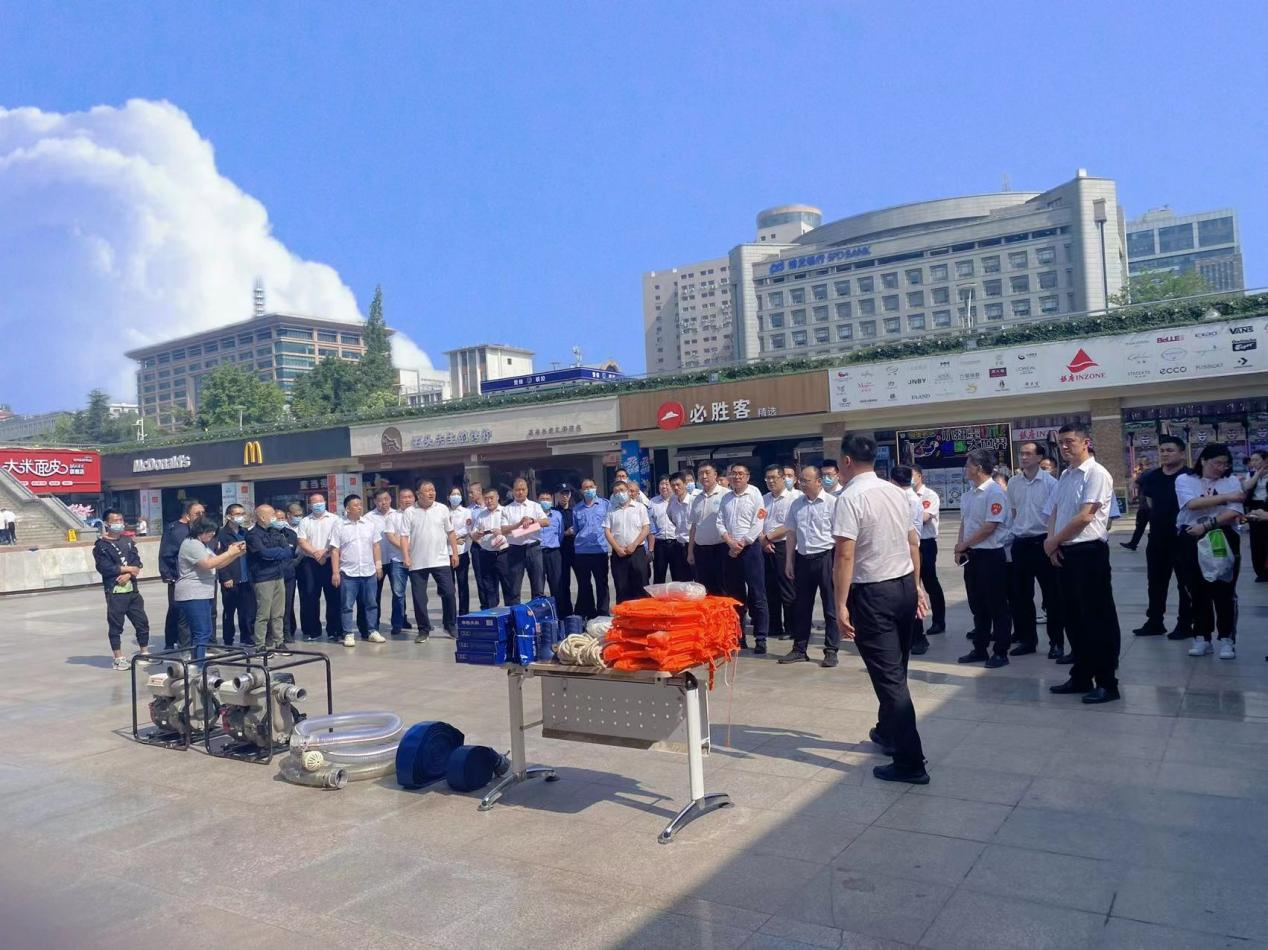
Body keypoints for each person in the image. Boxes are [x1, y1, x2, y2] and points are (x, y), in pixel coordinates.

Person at [832, 434, 929, 784]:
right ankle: (888, 732)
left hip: (874, 594)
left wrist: (840, 604)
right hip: (902, 586)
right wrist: (916, 585)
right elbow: (912, 541)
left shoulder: (849, 498)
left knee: (890, 680)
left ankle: (910, 762)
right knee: (896, 669)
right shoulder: (895, 491)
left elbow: (845, 555)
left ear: (846, 461)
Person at [1045, 423, 1121, 704]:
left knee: (1097, 619)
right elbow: (1054, 510)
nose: (1064, 447)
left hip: (1089, 553)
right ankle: (1081, 676)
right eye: (1061, 443)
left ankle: (1107, 682)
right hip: (1065, 552)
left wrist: (1054, 541)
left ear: (1086, 442)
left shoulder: (1097, 473)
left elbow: (1086, 516)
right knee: (1073, 618)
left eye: (1070, 441)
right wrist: (1052, 542)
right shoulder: (1065, 475)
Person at [1175, 443, 1245, 659]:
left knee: (1223, 588)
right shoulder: (1185, 479)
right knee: (1196, 588)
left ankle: (1226, 639)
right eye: (1217, 463)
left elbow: (1234, 511)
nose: (1221, 468)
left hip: (1222, 536)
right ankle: (1201, 636)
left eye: (1225, 464)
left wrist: (1206, 525)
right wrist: (1226, 497)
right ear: (1203, 460)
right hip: (1191, 536)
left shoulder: (1231, 480)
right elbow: (1192, 504)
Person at [1131, 435, 1194, 639]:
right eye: (1162, 451)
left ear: (1182, 453)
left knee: (1185, 582)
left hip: (1183, 537)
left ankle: (1185, 624)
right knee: (1156, 581)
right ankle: (1155, 621)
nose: (1165, 454)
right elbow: (1150, 503)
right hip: (1158, 537)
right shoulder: (1152, 476)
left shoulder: (1190, 477)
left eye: (1170, 450)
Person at [955, 449, 1013, 668]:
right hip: (972, 555)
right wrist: (960, 547)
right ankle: (980, 648)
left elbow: (990, 526)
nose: (965, 469)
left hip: (991, 556)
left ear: (979, 468)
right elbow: (965, 522)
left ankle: (1001, 651)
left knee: (997, 605)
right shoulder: (969, 494)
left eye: (968, 465)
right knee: (977, 605)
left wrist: (964, 544)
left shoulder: (994, 493)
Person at [1007, 443, 1064, 659]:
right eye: (1021, 454)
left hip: (1043, 542)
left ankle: (1056, 642)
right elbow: (1013, 511)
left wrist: (1053, 543)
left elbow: (1055, 515)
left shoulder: (1051, 483)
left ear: (1040, 457)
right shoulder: (1013, 483)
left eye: (1028, 454)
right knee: (1021, 596)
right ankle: (1027, 640)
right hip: (1020, 542)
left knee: (1052, 595)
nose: (1023, 457)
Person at [779, 465, 840, 667]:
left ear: (819, 481)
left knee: (830, 607)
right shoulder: (796, 504)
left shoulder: (832, 503)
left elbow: (840, 535)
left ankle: (831, 650)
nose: (802, 484)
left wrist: (838, 564)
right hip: (803, 559)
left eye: (806, 480)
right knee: (802, 606)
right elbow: (791, 533)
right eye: (801, 480)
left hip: (826, 557)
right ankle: (799, 648)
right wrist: (789, 561)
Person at [175, 516, 246, 661]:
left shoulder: (202, 545)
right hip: (193, 593)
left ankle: (196, 661)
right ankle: (198, 664)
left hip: (203, 593)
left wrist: (235, 554)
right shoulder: (192, 544)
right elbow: (208, 564)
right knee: (201, 632)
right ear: (200, 530)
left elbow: (218, 564)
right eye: (209, 531)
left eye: (214, 531)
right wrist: (229, 552)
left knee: (204, 631)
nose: (212, 534)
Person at [397, 481, 458, 642]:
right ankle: (423, 629)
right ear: (418, 494)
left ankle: (450, 625)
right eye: (427, 490)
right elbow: (404, 536)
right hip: (418, 561)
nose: (432, 493)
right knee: (419, 598)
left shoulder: (442, 509)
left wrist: (455, 553)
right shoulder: (409, 512)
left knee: (449, 592)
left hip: (441, 559)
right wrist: (406, 556)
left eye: (433, 490)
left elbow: (451, 532)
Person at [719, 463, 770, 654]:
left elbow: (760, 520)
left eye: (741, 474)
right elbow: (720, 522)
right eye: (733, 474)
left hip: (750, 549)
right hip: (731, 550)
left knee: (757, 594)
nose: (737, 477)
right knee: (735, 596)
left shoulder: (755, 494)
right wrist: (730, 542)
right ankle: (739, 637)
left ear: (748, 476)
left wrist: (743, 542)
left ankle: (761, 638)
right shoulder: (726, 498)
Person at [93, 509, 150, 670]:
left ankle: (144, 652)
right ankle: (118, 657)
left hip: (132, 590)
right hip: (115, 591)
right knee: (116, 625)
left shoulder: (128, 541)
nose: (119, 523)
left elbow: (136, 561)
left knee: (142, 622)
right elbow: (105, 568)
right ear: (107, 524)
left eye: (121, 520)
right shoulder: (101, 546)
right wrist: (128, 570)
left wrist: (129, 574)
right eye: (115, 521)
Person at [329, 493, 384, 647]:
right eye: (355, 505)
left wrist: (378, 566)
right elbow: (334, 550)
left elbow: (376, 546)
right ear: (347, 509)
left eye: (360, 505)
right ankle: (348, 633)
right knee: (347, 605)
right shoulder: (339, 525)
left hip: (369, 571)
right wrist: (335, 572)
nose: (359, 507)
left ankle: (372, 631)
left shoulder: (369, 524)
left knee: (371, 603)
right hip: (348, 573)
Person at [890, 466, 930, 656]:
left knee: (912, 593)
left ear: (893, 481)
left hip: (908, 551)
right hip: (907, 551)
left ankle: (918, 637)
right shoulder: (910, 497)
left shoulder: (906, 499)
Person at [246, 503, 293, 652]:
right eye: (271, 515)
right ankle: (260, 644)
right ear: (261, 517)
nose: (274, 518)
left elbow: (288, 551)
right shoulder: (253, 535)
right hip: (263, 578)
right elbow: (263, 554)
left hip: (278, 575)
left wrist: (276, 552)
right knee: (263, 614)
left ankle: (279, 641)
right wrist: (278, 551)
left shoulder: (275, 532)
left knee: (278, 613)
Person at [761, 464, 800, 642]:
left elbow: (789, 525)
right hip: (765, 546)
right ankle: (774, 625)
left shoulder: (793, 499)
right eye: (767, 478)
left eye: (774, 478)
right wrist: (763, 540)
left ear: (783, 478)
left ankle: (792, 627)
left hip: (784, 546)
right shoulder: (764, 499)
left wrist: (768, 537)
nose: (770, 481)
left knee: (787, 588)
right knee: (770, 588)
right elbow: (758, 521)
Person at [296, 492, 341, 642]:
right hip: (310, 562)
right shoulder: (305, 521)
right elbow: (302, 541)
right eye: (314, 503)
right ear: (310, 505)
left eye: (320, 502)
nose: (317, 505)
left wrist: (325, 552)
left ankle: (333, 630)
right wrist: (316, 553)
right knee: (311, 596)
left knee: (333, 596)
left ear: (325, 502)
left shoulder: (335, 519)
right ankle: (314, 631)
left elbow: (337, 540)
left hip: (330, 561)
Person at [367, 488, 413, 635]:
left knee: (398, 592)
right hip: (378, 561)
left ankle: (401, 619)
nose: (384, 503)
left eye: (386, 499)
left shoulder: (398, 514)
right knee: (375, 594)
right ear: (375, 502)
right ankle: (374, 622)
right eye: (380, 500)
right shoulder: (368, 518)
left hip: (395, 559)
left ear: (391, 499)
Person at [159, 499, 203, 649]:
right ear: (187, 514)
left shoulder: (198, 528)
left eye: (203, 513)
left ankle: (195, 641)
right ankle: (171, 642)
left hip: (196, 577)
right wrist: (168, 574)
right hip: (177, 576)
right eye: (198, 513)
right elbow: (166, 553)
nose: (201, 516)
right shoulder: (175, 530)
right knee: (176, 610)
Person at [910, 466, 945, 637]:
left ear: (920, 476)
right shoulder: (904, 495)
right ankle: (915, 625)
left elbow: (924, 517)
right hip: (911, 543)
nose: (910, 478)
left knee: (930, 581)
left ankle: (939, 621)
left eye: (912, 475)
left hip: (926, 543)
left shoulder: (929, 495)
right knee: (912, 584)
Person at [501, 478, 547, 604]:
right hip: (515, 549)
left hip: (533, 548)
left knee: (538, 585)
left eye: (523, 489)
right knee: (514, 588)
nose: (520, 492)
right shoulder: (507, 509)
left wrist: (533, 520)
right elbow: (504, 530)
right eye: (517, 490)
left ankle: (537, 612)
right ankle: (516, 613)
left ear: (527, 490)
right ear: (513, 491)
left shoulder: (535, 506)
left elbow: (546, 521)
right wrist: (519, 524)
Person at [216, 504, 256, 648]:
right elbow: (219, 557)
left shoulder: (245, 532)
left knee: (247, 610)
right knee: (229, 611)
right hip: (230, 579)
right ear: (229, 516)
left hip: (246, 578)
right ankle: (228, 639)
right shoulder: (222, 534)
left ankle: (247, 637)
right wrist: (225, 576)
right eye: (237, 514)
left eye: (242, 513)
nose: (241, 517)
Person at [571, 478, 611, 619]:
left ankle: (603, 612)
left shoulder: (605, 505)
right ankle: (589, 612)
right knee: (584, 584)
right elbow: (576, 529)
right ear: (581, 491)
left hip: (600, 550)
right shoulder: (577, 509)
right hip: (582, 552)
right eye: (585, 488)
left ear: (596, 487)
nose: (588, 490)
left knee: (602, 583)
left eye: (590, 487)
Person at [605, 480, 651, 602]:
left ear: (628, 491)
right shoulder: (611, 510)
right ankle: (624, 614)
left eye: (622, 490)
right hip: (619, 553)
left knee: (641, 587)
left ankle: (642, 613)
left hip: (637, 552)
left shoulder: (640, 507)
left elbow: (646, 528)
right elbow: (607, 531)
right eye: (616, 492)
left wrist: (634, 544)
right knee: (622, 588)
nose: (619, 493)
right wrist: (617, 548)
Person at [688, 463, 728, 596]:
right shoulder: (697, 499)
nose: (704, 476)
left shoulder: (726, 495)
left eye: (707, 472)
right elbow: (694, 526)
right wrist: (690, 552)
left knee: (723, 587)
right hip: (701, 550)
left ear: (715, 475)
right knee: (704, 588)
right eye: (700, 473)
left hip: (721, 549)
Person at [472, 487, 513, 608]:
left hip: (504, 553)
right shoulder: (481, 515)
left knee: (508, 585)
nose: (489, 501)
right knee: (489, 587)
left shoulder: (506, 511)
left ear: (497, 497)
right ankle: (493, 613)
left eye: (491, 498)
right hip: (486, 554)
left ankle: (511, 612)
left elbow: (514, 531)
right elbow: (473, 533)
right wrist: (476, 534)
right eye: (486, 499)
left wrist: (502, 532)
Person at [538, 488, 568, 611]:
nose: (545, 501)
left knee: (557, 585)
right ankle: (539, 613)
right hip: (538, 553)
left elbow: (560, 534)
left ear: (551, 501)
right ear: (538, 500)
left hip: (554, 553)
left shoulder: (557, 515)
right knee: (538, 585)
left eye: (547, 499)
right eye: (542, 499)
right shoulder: (533, 515)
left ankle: (559, 613)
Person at [448, 486, 475, 615]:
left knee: (463, 583)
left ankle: (464, 612)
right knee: (448, 586)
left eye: (458, 494)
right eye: (453, 494)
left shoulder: (466, 512)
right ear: (448, 497)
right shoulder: (444, 512)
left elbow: (467, 528)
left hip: (462, 551)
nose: (456, 496)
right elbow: (441, 530)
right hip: (447, 551)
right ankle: (451, 613)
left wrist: (453, 537)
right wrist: (452, 539)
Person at [1244, 450, 1268, 583]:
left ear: (1265, 460)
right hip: (1254, 508)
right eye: (1252, 460)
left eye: (1256, 460)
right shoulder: (1251, 474)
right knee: (1256, 541)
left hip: (1267, 507)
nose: (1253, 463)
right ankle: (1260, 571)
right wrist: (1258, 473)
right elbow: (1247, 486)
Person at [666, 472, 695, 582]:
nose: (676, 488)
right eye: (673, 485)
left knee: (698, 581)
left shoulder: (694, 500)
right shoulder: (672, 501)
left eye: (678, 484)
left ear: (685, 484)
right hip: (679, 545)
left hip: (694, 545)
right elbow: (671, 518)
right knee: (682, 581)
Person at [281, 503, 304, 642]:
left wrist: (297, 561)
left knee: (302, 598)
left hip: (302, 564)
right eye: (296, 515)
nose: (299, 517)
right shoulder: (283, 530)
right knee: (285, 602)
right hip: (286, 569)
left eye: (301, 515)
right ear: (288, 515)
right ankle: (288, 629)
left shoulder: (304, 525)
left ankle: (301, 628)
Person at [648, 476, 677, 584]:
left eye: (666, 484)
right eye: (661, 484)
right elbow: (650, 525)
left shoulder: (677, 500)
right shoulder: (653, 502)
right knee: (659, 576)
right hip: (659, 544)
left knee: (678, 576)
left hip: (676, 543)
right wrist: (650, 548)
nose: (664, 487)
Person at [554, 484, 576, 616]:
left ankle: (583, 610)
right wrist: (565, 533)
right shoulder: (554, 512)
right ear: (558, 495)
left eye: (567, 493)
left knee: (583, 581)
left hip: (576, 550)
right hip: (560, 552)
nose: (565, 496)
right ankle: (565, 612)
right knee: (563, 583)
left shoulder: (575, 510)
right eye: (562, 494)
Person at [466, 481, 488, 604]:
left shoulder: (489, 506)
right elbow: (467, 528)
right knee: (479, 577)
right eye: (469, 493)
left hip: (492, 545)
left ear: (479, 492)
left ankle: (493, 603)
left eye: (471, 492)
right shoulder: (469, 510)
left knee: (492, 577)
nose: (470, 495)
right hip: (477, 546)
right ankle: (484, 605)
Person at [1121, 461, 1150, 551]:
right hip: (1151, 506)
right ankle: (1133, 543)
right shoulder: (1153, 473)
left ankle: (1133, 544)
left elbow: (1134, 486)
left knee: (1140, 527)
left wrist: (1134, 475)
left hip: (1144, 507)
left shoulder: (1144, 475)